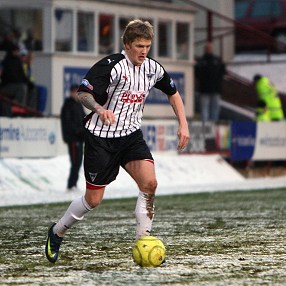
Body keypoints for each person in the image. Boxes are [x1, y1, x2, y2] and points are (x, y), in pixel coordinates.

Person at [45, 19, 190, 263]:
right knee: (93, 200)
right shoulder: (111, 66)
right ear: (127, 44)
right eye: (139, 45)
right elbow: (83, 93)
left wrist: (183, 125)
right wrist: (100, 109)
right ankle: (57, 231)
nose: (144, 51)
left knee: (150, 184)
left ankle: (143, 239)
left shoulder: (153, 68)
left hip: (131, 137)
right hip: (101, 138)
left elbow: (173, 93)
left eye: (147, 46)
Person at [60, 84, 86, 192]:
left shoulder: (78, 105)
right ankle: (71, 185)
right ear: (71, 92)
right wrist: (76, 132)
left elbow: (84, 118)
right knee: (75, 161)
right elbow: (67, 122)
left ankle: (74, 183)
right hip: (73, 139)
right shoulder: (68, 105)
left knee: (78, 162)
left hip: (80, 138)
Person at [195, 42, 225, 123]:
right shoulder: (201, 62)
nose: (208, 50)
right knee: (204, 109)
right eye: (207, 48)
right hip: (204, 89)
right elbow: (197, 74)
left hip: (215, 89)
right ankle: (205, 125)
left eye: (209, 48)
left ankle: (214, 124)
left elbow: (222, 72)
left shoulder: (217, 60)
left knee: (215, 108)